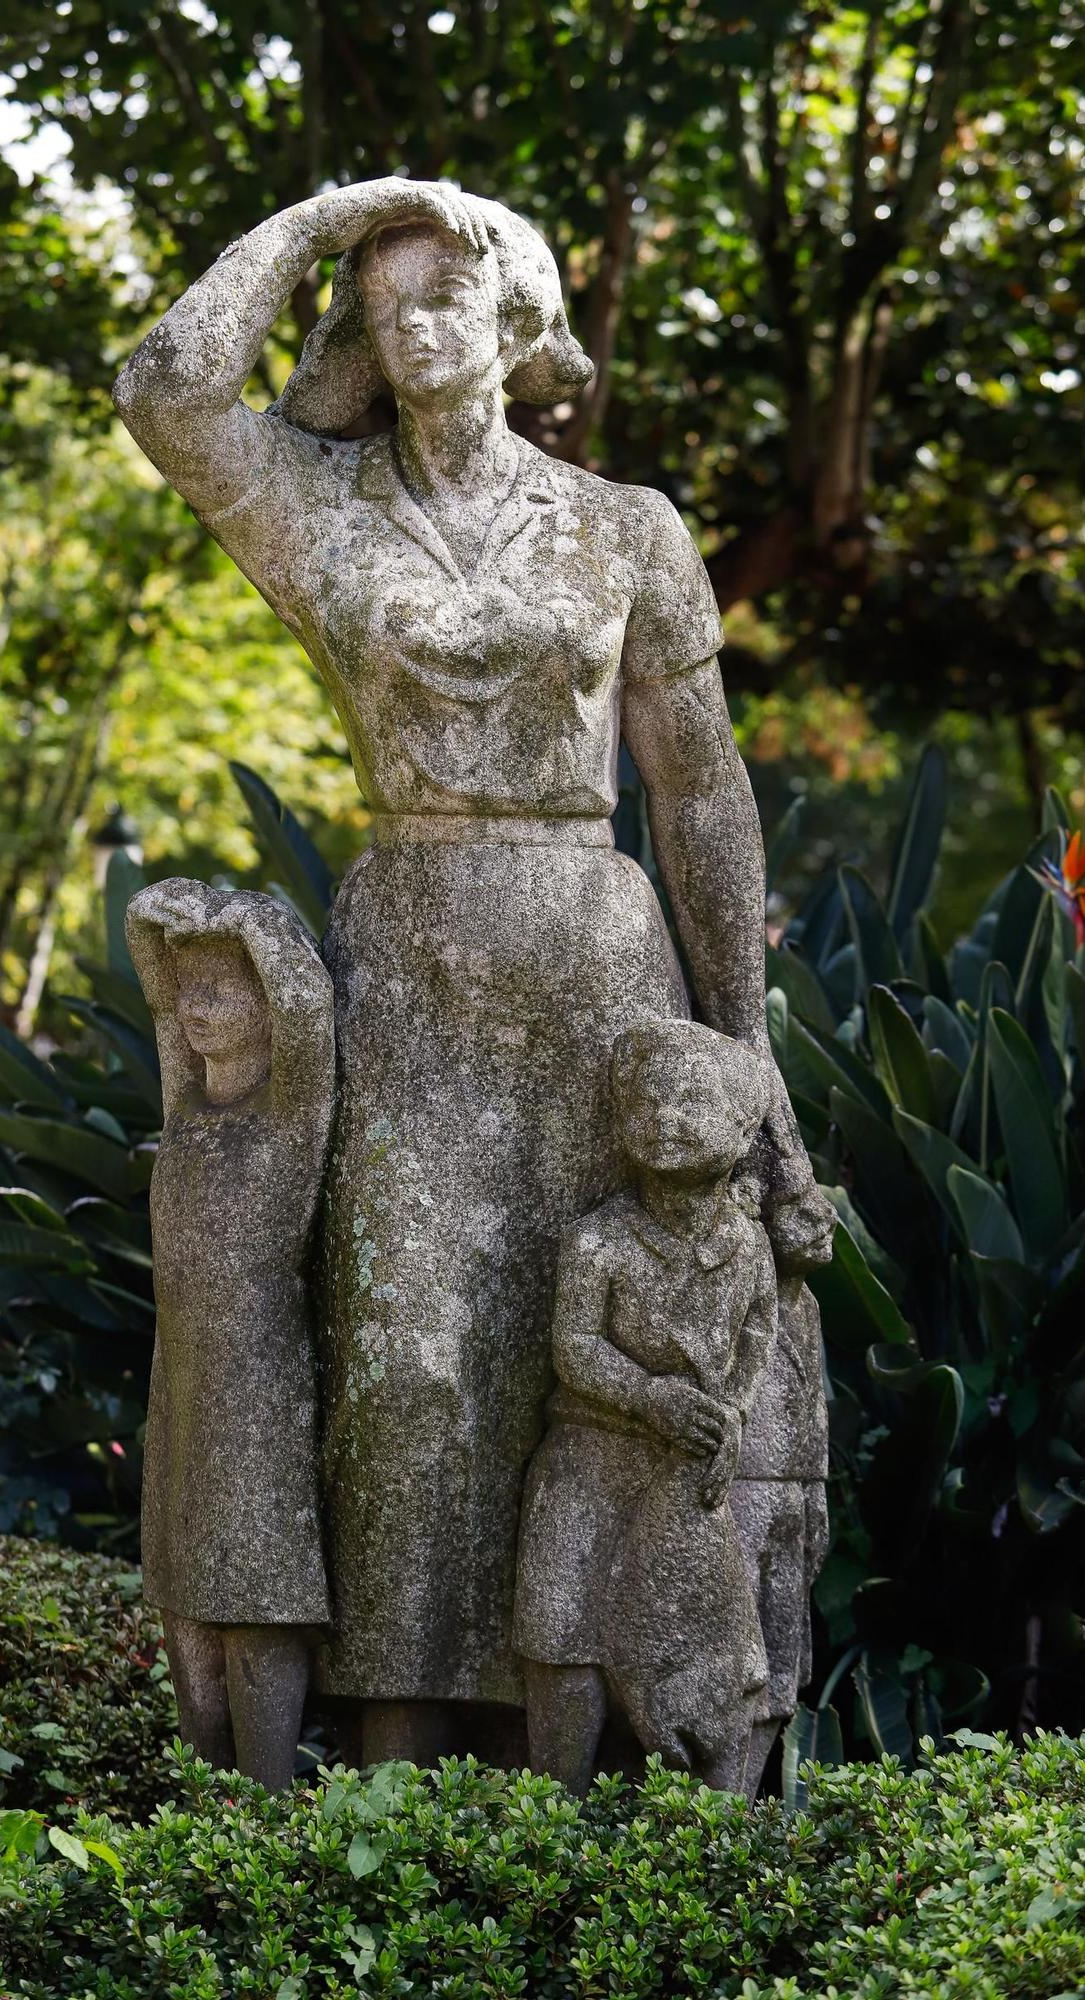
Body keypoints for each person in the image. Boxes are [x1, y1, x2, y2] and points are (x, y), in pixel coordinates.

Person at [114, 179, 814, 1760]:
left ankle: (608, 1748)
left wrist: (740, 1041)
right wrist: (331, 216)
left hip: (594, 951)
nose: (413, 317)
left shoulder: (629, 528)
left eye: (447, 287)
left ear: (516, 319)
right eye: (385, 299)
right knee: (410, 1370)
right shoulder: (322, 503)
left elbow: (700, 787)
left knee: (591, 1367)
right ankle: (402, 1769)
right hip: (412, 948)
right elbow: (163, 389)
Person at [515, 1019, 776, 1793]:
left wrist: (730, 1408)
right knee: (560, 1625)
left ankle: (701, 1839)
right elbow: (576, 1348)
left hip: (688, 1468)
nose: (664, 1119)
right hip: (590, 1459)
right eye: (648, 1103)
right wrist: (648, 1396)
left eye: (689, 1103)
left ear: (737, 1130)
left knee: (712, 1654)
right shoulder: (599, 1241)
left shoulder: (747, 1244)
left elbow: (758, 1331)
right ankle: (550, 1819)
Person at [126, 879, 335, 1789]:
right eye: (187, 992)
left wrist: (253, 924)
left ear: (264, 1003)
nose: (196, 1010)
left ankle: (266, 1797)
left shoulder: (286, 1113)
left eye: (222, 990)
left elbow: (312, 1012)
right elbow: (151, 973)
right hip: (178, 1382)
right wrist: (153, 915)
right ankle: (205, 1797)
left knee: (256, 1588)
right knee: (180, 1589)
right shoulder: (187, 1109)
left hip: (256, 1379)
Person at [731, 1179, 836, 1793]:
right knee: (737, 1650)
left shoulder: (810, 1307)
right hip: (745, 1484)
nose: (823, 1229)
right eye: (805, 1217)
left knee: (783, 1655)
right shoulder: (743, 1291)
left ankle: (744, 1795)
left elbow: (816, 1412)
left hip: (795, 1486)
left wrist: (816, 1489)